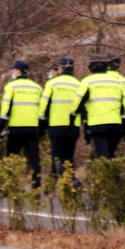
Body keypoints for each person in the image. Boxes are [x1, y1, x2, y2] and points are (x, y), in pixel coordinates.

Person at [0, 59, 43, 188]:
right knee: (34, 158)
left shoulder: (11, 86)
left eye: (13, 69)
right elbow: (41, 109)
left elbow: (5, 108)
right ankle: (36, 184)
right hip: (32, 128)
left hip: (16, 128)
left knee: (11, 157)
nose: (12, 72)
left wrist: (0, 126)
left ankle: (9, 185)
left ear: (18, 71)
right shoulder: (37, 87)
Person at [72, 54, 125, 159]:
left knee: (103, 157)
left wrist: (73, 115)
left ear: (91, 67)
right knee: (112, 156)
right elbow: (123, 104)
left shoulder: (87, 81)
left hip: (97, 125)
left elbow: (78, 102)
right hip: (116, 124)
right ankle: (114, 175)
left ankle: (105, 175)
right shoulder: (116, 81)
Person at [38, 55, 82, 184]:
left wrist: (41, 125)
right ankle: (53, 189)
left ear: (61, 68)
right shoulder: (79, 84)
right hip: (74, 127)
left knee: (57, 160)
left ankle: (72, 180)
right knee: (68, 159)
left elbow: (43, 105)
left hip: (57, 126)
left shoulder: (52, 83)